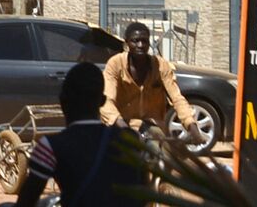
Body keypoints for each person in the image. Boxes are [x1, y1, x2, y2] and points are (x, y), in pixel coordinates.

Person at [15, 62, 147, 207]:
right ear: (102, 102)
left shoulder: (51, 147)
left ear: (62, 100)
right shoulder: (129, 140)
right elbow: (143, 192)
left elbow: (26, 201)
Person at [100, 22, 199, 134]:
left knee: (165, 150)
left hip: (153, 127)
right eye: (135, 41)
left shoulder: (160, 65)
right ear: (127, 42)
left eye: (144, 41)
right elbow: (106, 99)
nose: (141, 45)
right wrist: (121, 124)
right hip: (122, 125)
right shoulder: (115, 64)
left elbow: (177, 98)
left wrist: (191, 125)